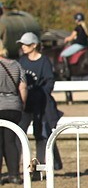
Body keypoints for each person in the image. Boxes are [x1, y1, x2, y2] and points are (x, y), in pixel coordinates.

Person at [17, 32, 63, 174]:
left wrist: (40, 94)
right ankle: (19, 166)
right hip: (25, 104)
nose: (23, 47)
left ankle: (42, 166)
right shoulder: (21, 61)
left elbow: (49, 81)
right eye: (22, 44)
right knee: (19, 133)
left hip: (40, 104)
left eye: (26, 44)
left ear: (34, 45)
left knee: (41, 135)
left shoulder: (44, 61)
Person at [0, 44, 27, 184]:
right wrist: (22, 104)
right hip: (13, 107)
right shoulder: (16, 64)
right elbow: (22, 87)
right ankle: (14, 175)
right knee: (10, 142)